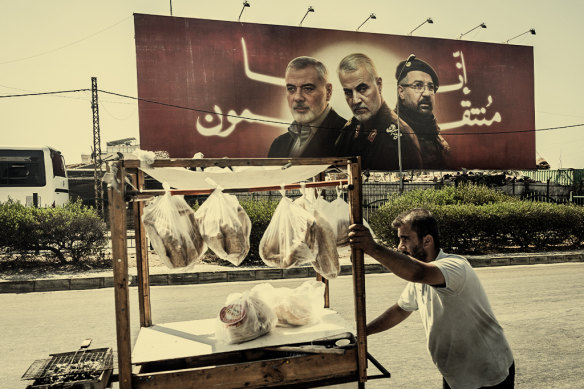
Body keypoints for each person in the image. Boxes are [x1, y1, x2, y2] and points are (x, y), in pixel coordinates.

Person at [348, 208, 514, 389]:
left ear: (427, 240)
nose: (400, 246)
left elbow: (418, 272)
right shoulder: (420, 277)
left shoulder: (454, 266)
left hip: (487, 374)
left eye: (405, 239)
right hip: (456, 376)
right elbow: (400, 309)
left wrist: (372, 248)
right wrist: (363, 332)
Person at [336, 53, 422, 171]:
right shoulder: (348, 130)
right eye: (348, 92)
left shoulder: (401, 139)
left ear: (379, 85)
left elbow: (410, 185)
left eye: (362, 89)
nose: (355, 100)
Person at [268, 56, 348, 158]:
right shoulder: (278, 144)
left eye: (308, 89)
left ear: (328, 91)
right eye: (291, 89)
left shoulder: (349, 138)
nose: (298, 97)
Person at [396, 58, 450, 169]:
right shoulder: (392, 132)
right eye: (418, 86)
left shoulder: (438, 139)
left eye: (431, 87)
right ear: (401, 92)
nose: (426, 93)